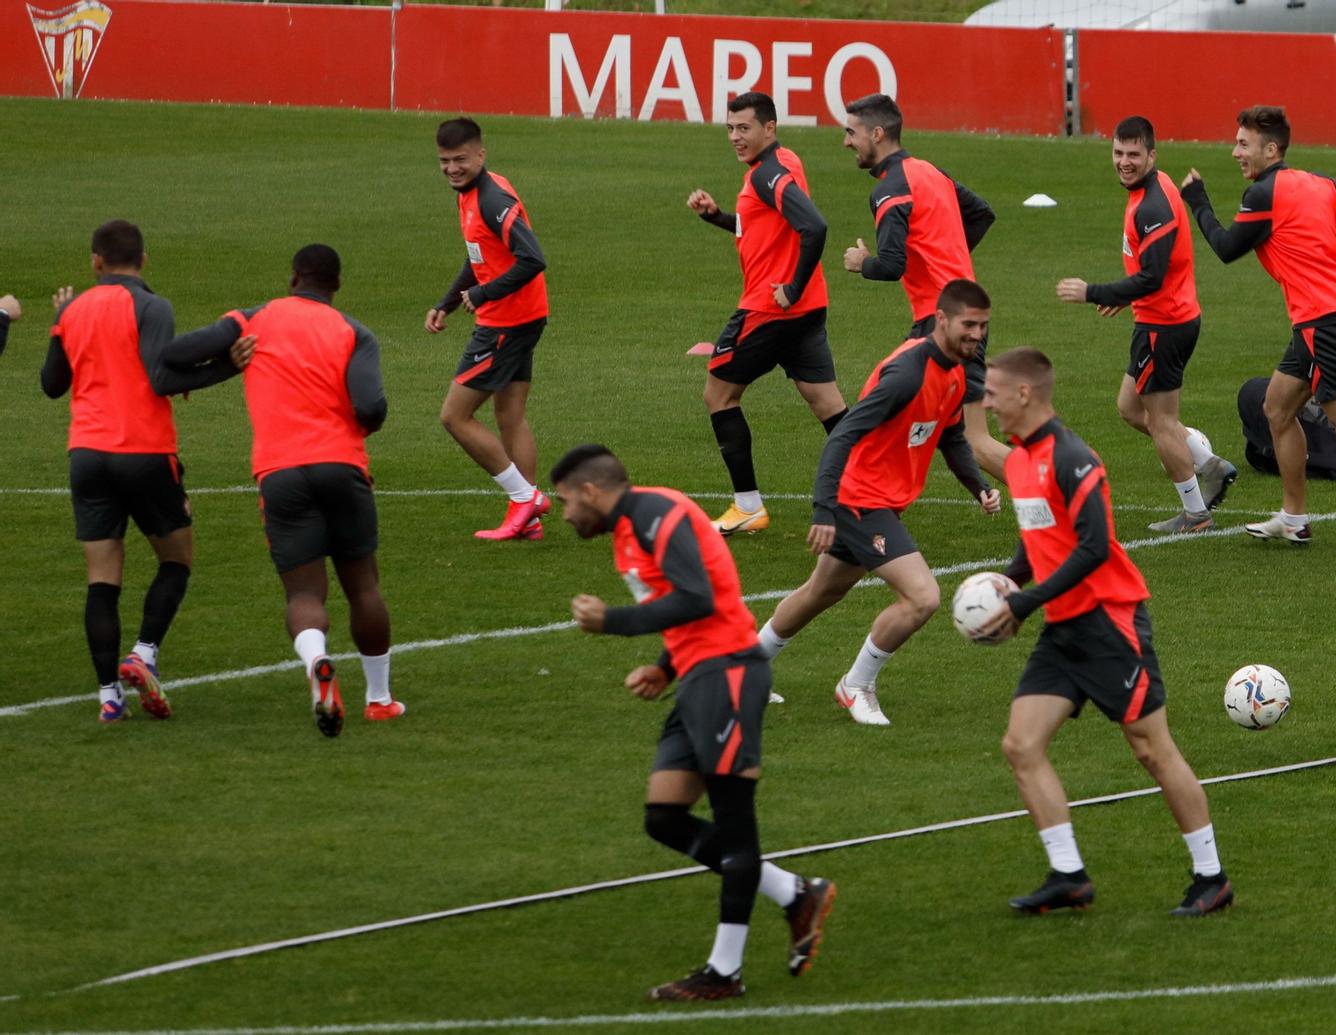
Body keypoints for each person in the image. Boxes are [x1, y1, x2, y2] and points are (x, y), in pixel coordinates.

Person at [552, 444, 836, 1001]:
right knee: (663, 816)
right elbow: (684, 606)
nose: (563, 513)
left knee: (735, 828)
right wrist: (664, 667)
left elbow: (700, 599)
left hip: (728, 675)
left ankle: (724, 973)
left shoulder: (659, 515)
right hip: (698, 678)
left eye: (564, 500)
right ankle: (794, 892)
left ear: (590, 491)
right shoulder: (630, 530)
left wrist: (614, 622)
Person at [973, 346, 1234, 917]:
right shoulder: (1018, 461)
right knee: (1021, 745)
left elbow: (1093, 548)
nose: (986, 402)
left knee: (1152, 749)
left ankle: (1211, 878)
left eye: (993, 392)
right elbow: (1036, 540)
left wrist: (1025, 602)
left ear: (1024, 393)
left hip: (1110, 623)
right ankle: (1068, 874)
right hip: (1063, 628)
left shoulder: (1074, 459)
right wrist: (1009, 582)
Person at [159, 245, 399, 737]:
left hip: (281, 474)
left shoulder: (254, 319)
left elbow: (172, 355)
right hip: (342, 465)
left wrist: (229, 361)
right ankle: (379, 699)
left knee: (305, 592)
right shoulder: (355, 332)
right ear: (336, 285)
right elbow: (371, 406)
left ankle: (317, 663)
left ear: (293, 278)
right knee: (364, 586)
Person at [755, 279, 1002, 727]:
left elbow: (949, 433)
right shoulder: (906, 373)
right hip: (859, 500)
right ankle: (856, 685)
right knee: (923, 596)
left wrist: (978, 486)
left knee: (821, 592)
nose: (977, 335)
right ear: (941, 319)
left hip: (882, 499)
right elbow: (844, 435)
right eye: (969, 324)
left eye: (983, 326)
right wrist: (824, 508)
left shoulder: (956, 371)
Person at [1179, 105, 1336, 556]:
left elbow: (1226, 249)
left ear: (1271, 149)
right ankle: (1294, 519)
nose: (1235, 153)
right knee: (1277, 408)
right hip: (1324, 318)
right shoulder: (1317, 182)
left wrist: (1198, 201)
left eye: (1243, 145)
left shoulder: (1264, 194)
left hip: (1321, 323)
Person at [41, 220, 231, 724]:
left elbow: (51, 385)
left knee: (102, 580)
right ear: (144, 260)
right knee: (177, 559)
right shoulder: (153, 306)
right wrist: (227, 366)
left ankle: (108, 696)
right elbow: (162, 376)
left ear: (95, 261)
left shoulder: (73, 308)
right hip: (144, 452)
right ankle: (143, 654)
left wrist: (61, 327)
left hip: (87, 454)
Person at [1056, 114, 1237, 534]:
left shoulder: (1152, 205)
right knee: (1129, 408)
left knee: (1160, 421)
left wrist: (1095, 292)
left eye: (1134, 154)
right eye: (1118, 152)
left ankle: (1195, 514)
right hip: (1160, 318)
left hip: (1165, 325)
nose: (1124, 161)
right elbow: (1155, 271)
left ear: (1151, 156)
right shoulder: (1150, 189)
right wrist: (1127, 296)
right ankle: (1211, 465)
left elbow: (1153, 275)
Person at [687, 91, 848, 537]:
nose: (735, 137)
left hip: (769, 309)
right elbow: (763, 225)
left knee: (718, 395)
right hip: (808, 308)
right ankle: (872, 494)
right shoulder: (783, 163)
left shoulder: (768, 174)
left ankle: (747, 507)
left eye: (744, 128)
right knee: (828, 405)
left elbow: (814, 226)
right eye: (730, 129)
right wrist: (717, 216)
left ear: (769, 128)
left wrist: (790, 287)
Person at [838, 93, 1007, 477]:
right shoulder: (930, 172)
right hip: (958, 314)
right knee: (924, 426)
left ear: (877, 134)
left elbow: (892, 265)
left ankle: (1068, 504)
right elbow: (983, 214)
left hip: (941, 325)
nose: (847, 142)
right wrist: (943, 252)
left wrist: (862, 263)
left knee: (968, 440)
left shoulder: (889, 190)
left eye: (852, 133)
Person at [426, 117, 552, 542]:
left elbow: (532, 258)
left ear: (481, 154)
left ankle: (524, 498)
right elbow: (479, 255)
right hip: (521, 316)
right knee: (510, 416)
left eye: (460, 159)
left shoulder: (492, 197)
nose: (452, 168)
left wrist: (484, 294)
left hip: (506, 323)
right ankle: (528, 518)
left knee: (455, 416)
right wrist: (447, 303)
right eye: (444, 161)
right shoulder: (469, 193)